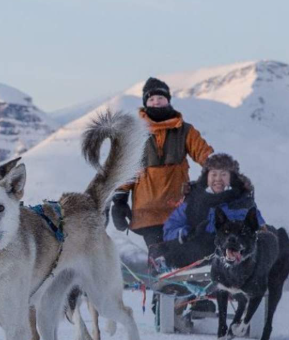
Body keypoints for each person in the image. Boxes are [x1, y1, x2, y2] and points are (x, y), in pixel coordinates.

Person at [109, 77, 214, 247]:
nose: (156, 102)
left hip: (179, 209)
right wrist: (119, 201)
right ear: (145, 103)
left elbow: (203, 153)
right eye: (151, 99)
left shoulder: (185, 130)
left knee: (182, 252)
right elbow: (127, 169)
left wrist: (219, 171)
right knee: (159, 254)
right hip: (147, 212)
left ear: (168, 100)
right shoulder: (135, 134)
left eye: (160, 98)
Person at [155, 153, 266, 268]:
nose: (218, 179)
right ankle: (164, 266)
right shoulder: (193, 201)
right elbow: (170, 229)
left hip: (231, 254)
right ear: (206, 177)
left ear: (232, 178)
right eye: (213, 174)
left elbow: (259, 231)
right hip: (192, 253)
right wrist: (187, 233)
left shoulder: (243, 201)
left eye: (223, 174)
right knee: (165, 249)